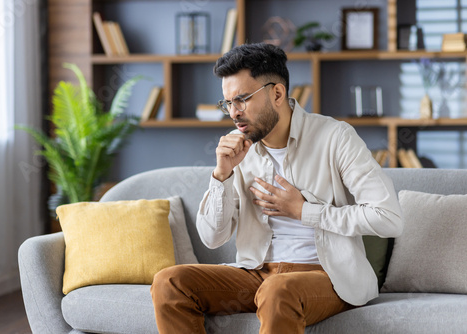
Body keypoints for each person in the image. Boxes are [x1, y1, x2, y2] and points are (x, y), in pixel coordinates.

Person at [151, 43, 403, 334]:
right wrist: (222, 175)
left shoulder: (336, 137)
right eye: (228, 103)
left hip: (325, 276)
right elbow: (212, 238)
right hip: (255, 273)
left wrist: (304, 211)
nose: (234, 113)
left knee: (278, 290)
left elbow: (388, 217)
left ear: (278, 94)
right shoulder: (237, 147)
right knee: (170, 283)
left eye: (242, 100)